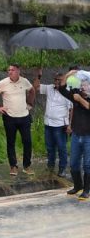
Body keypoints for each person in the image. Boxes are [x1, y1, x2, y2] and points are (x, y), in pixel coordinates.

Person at [0, 63, 36, 176]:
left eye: (12, 70)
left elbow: (32, 90)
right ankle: (13, 166)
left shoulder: (24, 81)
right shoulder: (3, 82)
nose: (10, 72)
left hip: (24, 116)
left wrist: (30, 103)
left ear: (18, 71)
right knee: (10, 142)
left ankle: (27, 166)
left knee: (27, 142)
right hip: (9, 117)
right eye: (8, 70)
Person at [33, 71, 72, 177]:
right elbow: (36, 87)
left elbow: (72, 110)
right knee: (50, 147)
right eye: (55, 79)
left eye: (59, 80)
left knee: (61, 148)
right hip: (48, 123)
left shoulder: (68, 91)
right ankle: (50, 167)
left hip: (60, 125)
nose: (57, 82)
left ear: (64, 81)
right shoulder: (50, 88)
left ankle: (62, 169)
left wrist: (70, 125)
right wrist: (39, 75)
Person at [59, 71, 90, 200]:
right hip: (77, 135)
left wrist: (80, 99)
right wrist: (68, 74)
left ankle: (87, 190)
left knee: (88, 165)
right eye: (81, 84)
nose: (83, 87)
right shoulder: (76, 95)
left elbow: (88, 106)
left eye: (85, 85)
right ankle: (78, 186)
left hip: (89, 137)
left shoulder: (79, 98)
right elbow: (61, 88)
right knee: (73, 163)